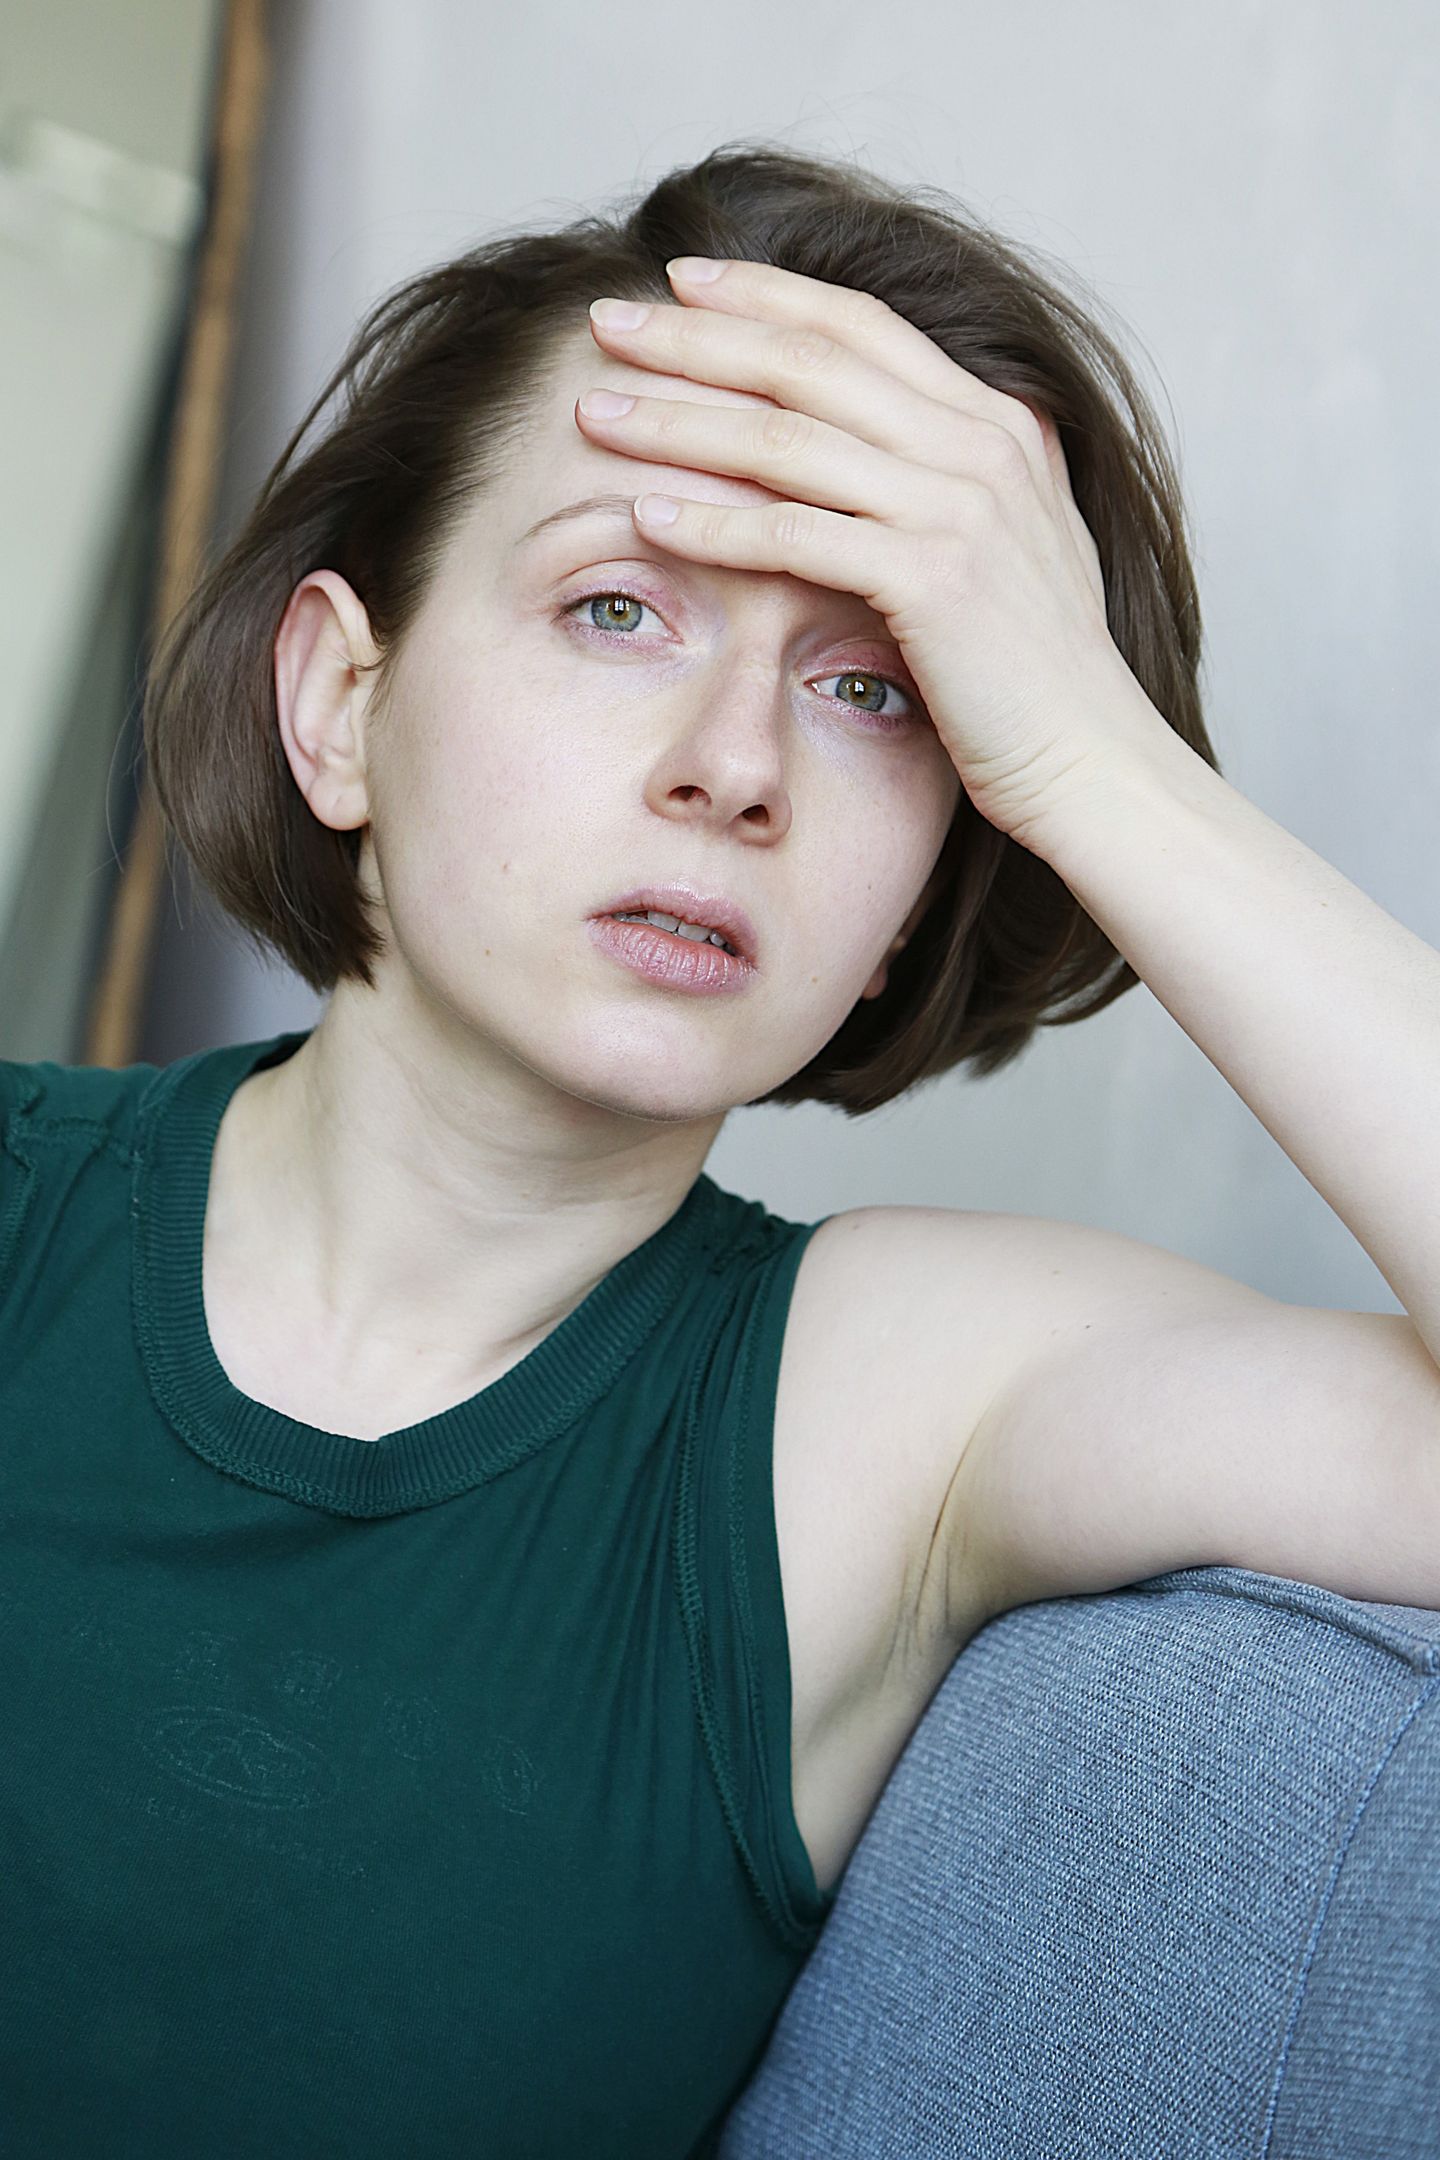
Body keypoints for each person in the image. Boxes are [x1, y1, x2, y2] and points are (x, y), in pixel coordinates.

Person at [3, 139, 1437, 2159]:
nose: (737, 767)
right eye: (616, 609)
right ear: (338, 701)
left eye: (874, 690)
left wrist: (1083, 743)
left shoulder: (889, 1412)